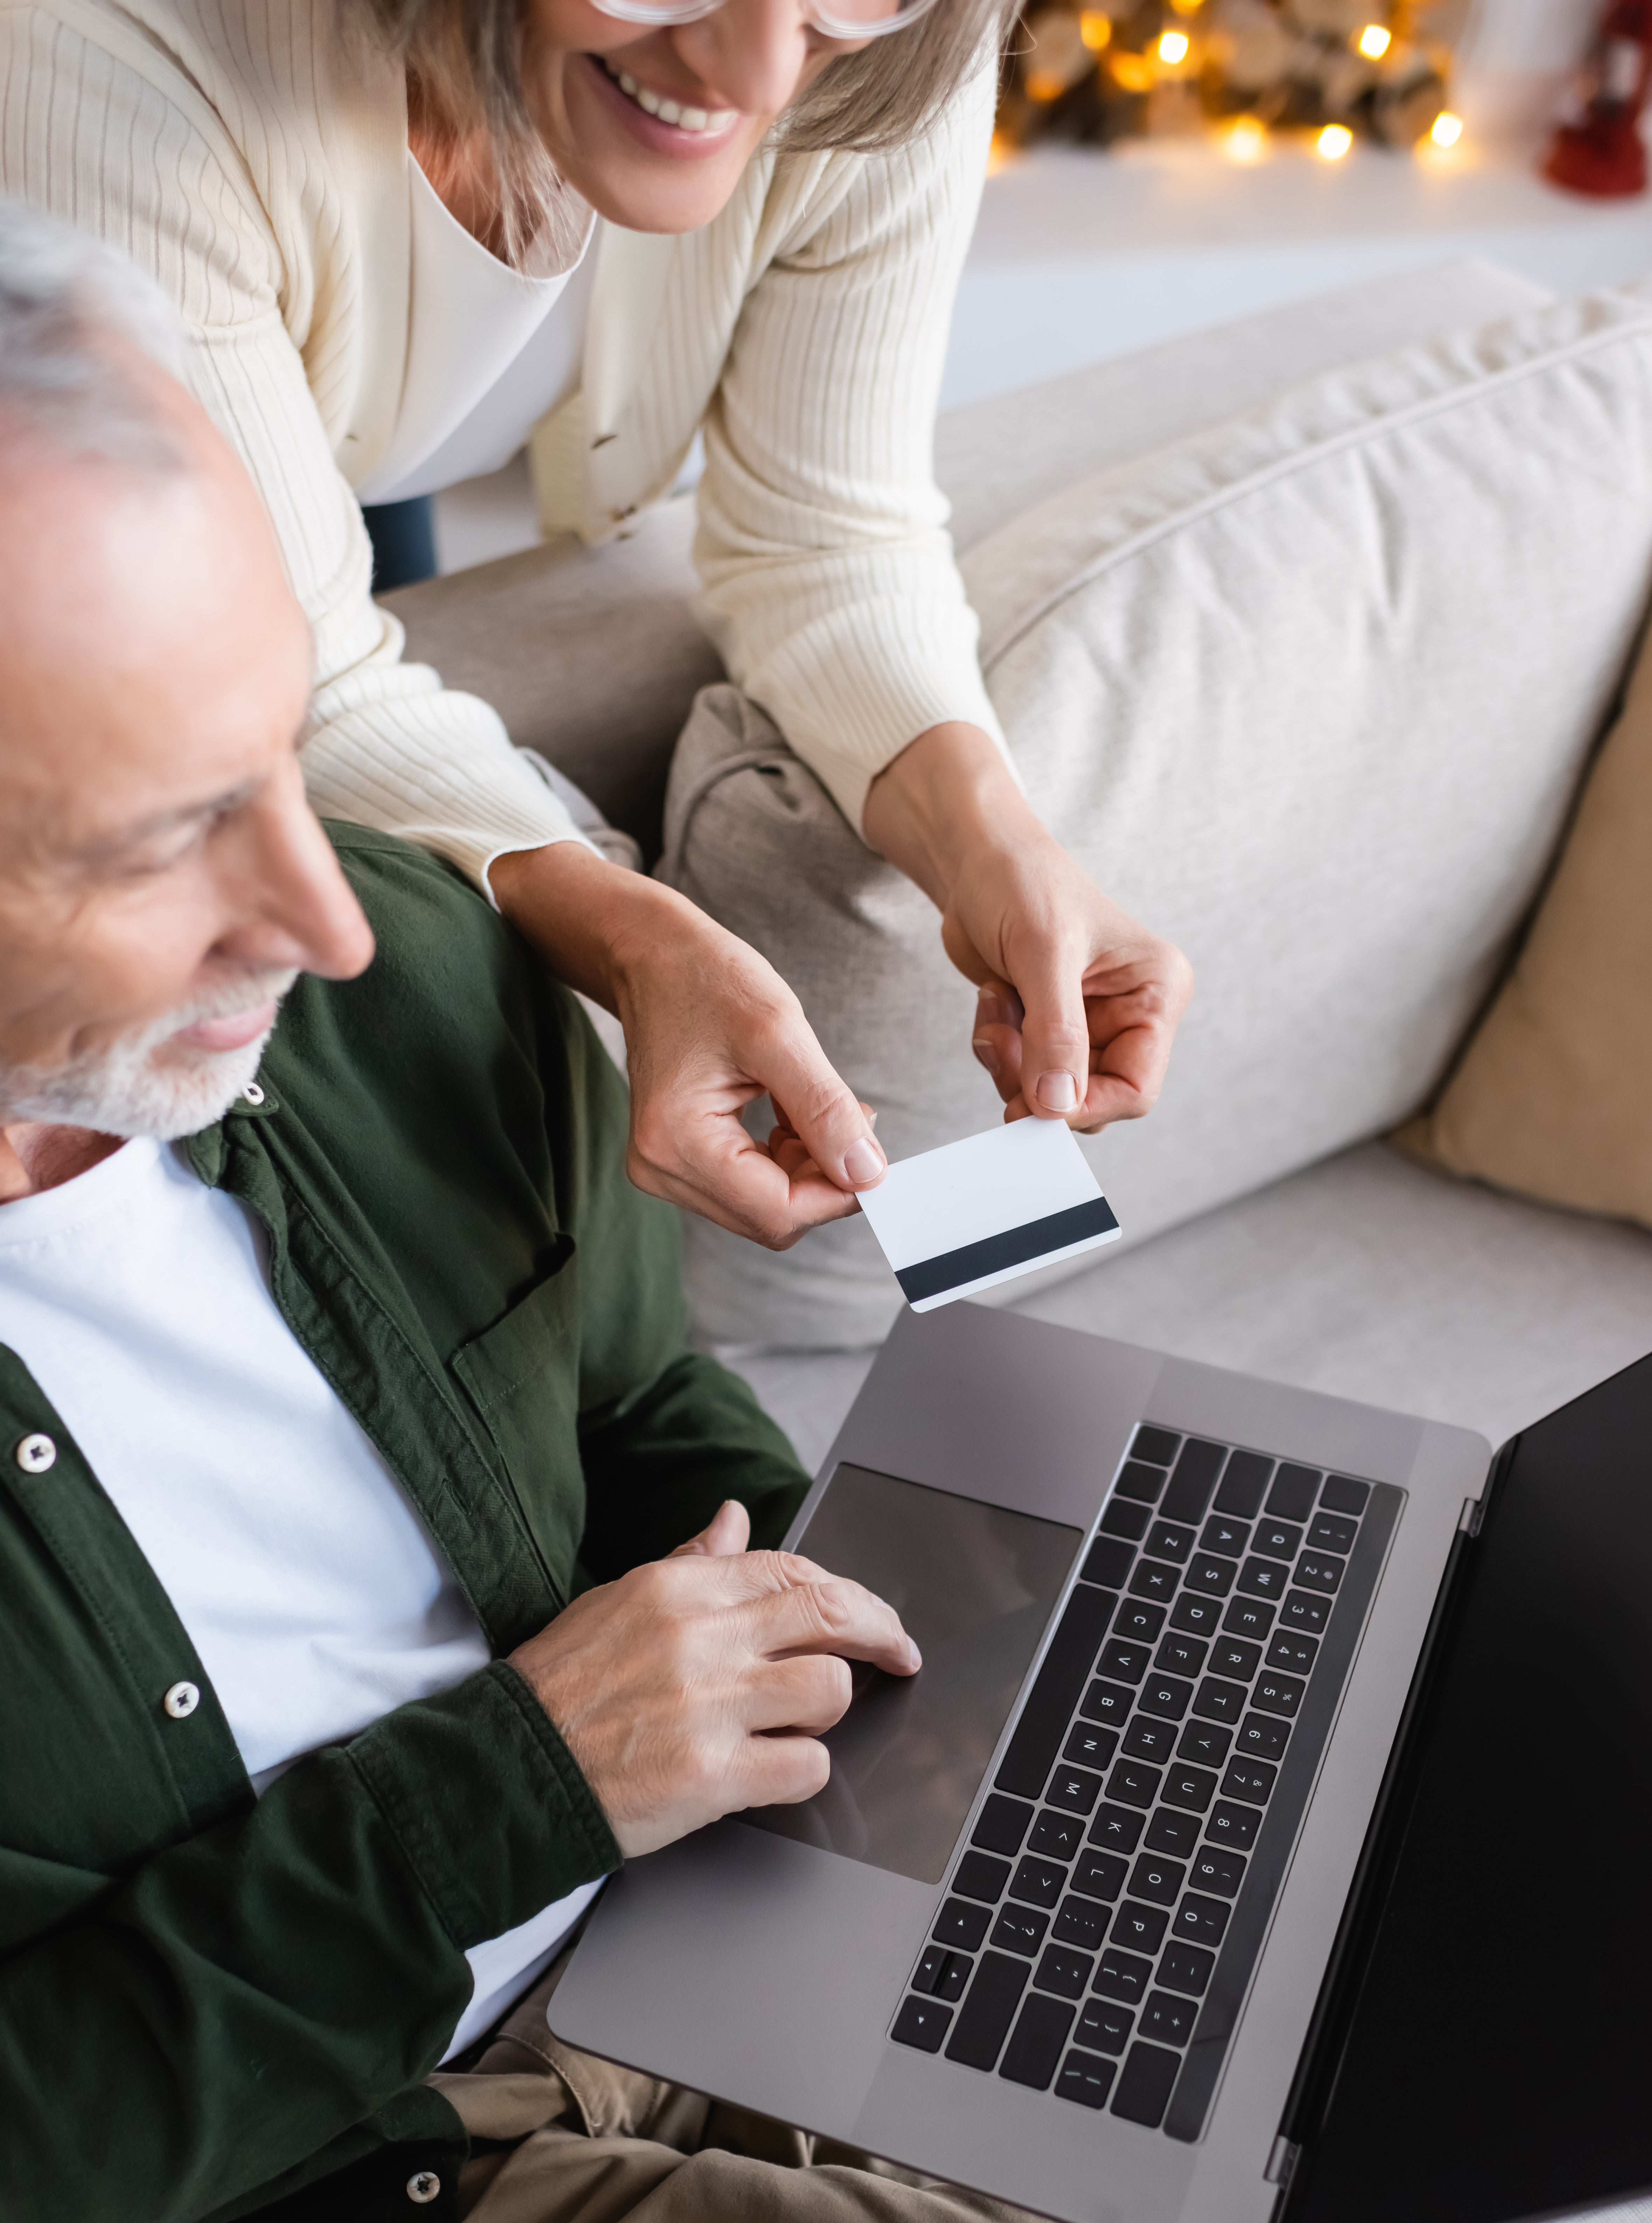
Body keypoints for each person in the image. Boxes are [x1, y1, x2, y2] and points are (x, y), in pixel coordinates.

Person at [0, 208, 1590, 2223]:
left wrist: (882, 1644)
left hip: (722, 1913)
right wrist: (512, 1791)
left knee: (1381, 2042)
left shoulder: (401, 974)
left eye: (280, 764)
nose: (326, 917)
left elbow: (648, 1426)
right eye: (161, 841)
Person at [0, 0, 1193, 1271]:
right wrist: (635, 941)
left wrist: (994, 840)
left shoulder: (881, 48)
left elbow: (825, 537)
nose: (760, 70)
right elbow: (316, 681)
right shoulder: (109, 47)